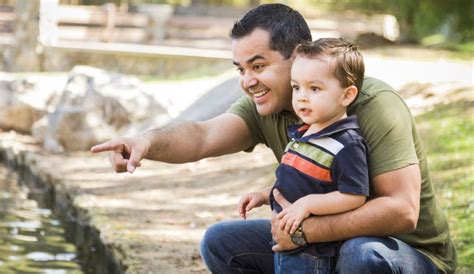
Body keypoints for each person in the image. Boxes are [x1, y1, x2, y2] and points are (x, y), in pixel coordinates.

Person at [90, 3, 456, 274]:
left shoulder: (372, 104)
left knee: (361, 256)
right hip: (326, 246)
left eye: (258, 66)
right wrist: (146, 143)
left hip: (405, 254)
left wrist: (306, 232)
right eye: (241, 69)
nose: (247, 81)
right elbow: (202, 137)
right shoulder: (267, 106)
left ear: (297, 56)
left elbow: (402, 211)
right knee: (221, 243)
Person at [238, 38, 369, 273]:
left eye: (314, 88)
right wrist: (263, 195)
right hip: (286, 241)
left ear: (347, 95)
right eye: (296, 87)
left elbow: (355, 196)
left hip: (313, 251)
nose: (301, 97)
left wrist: (308, 205)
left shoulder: (346, 144)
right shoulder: (303, 135)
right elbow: (296, 183)